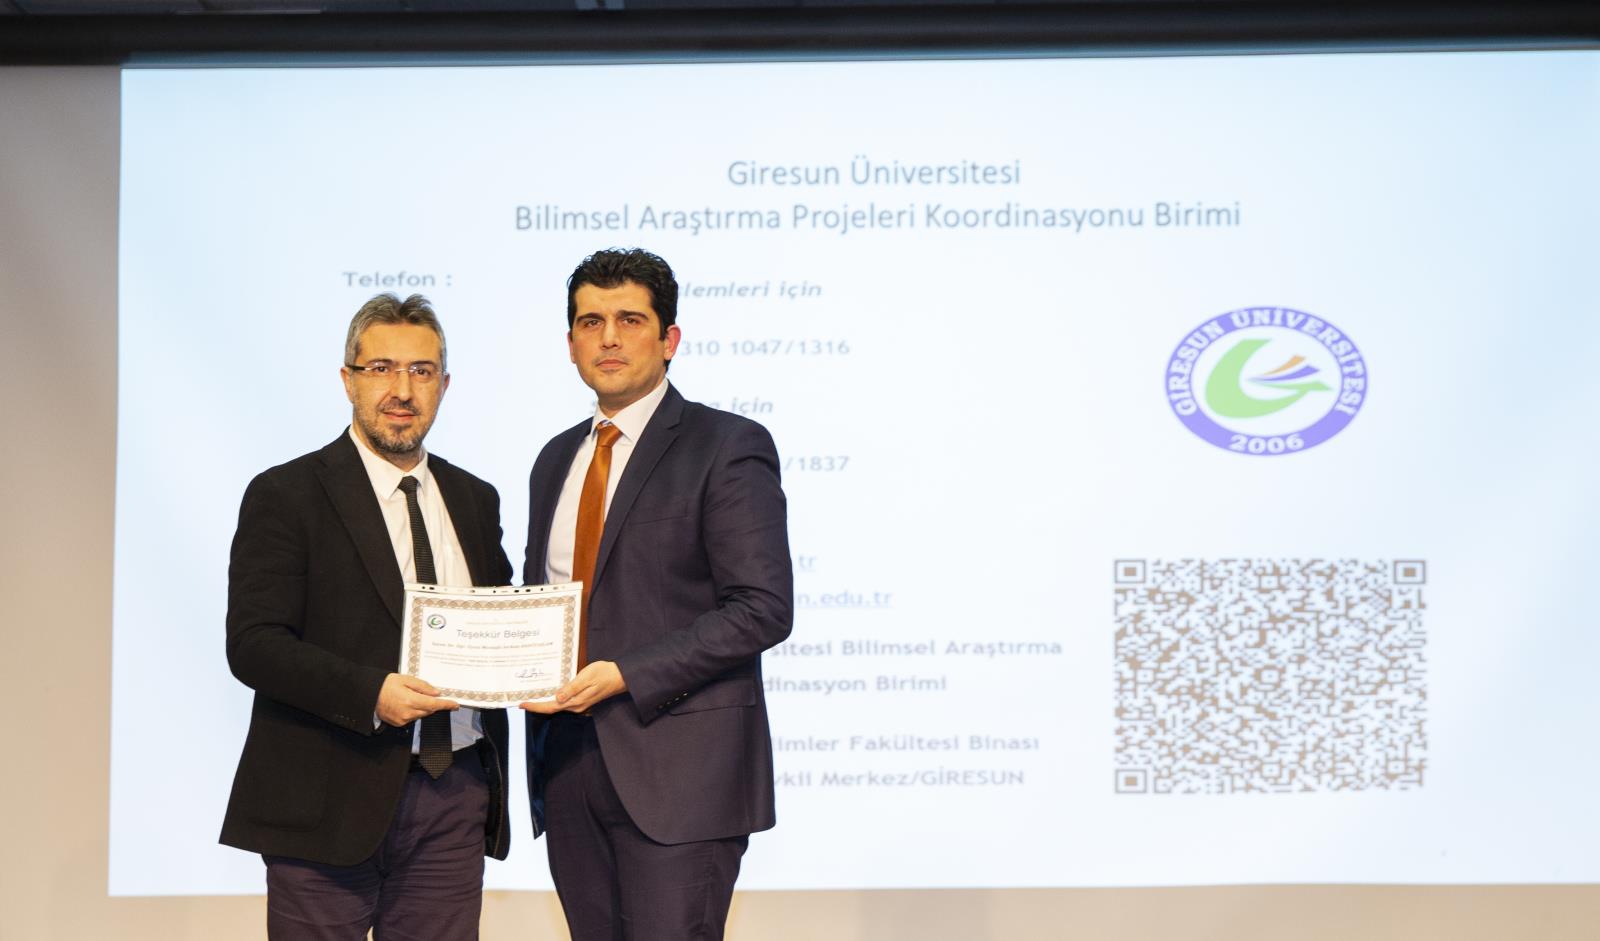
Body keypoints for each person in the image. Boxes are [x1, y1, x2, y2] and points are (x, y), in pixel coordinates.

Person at [220, 293, 513, 940]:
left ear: (444, 385)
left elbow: (498, 626)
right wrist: (371, 692)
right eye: (381, 368)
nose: (402, 389)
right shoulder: (287, 493)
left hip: (453, 794)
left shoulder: (474, 498)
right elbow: (254, 643)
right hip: (325, 796)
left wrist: (532, 666)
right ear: (348, 379)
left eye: (421, 371)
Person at [521, 248, 794, 941]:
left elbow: (762, 606)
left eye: (630, 319)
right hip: (568, 766)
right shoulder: (555, 459)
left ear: (669, 339)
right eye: (591, 322)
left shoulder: (726, 444)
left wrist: (625, 674)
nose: (608, 337)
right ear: (571, 344)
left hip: (681, 776)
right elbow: (541, 604)